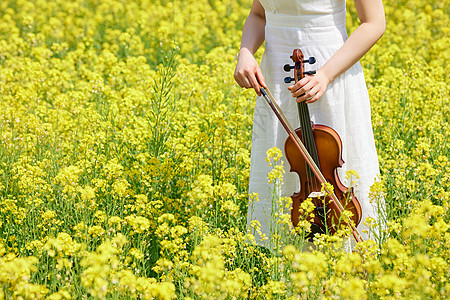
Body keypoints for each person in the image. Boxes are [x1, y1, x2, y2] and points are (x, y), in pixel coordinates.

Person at [234, 0, 385, 245]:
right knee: (287, 178)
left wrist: (325, 75)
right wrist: (246, 52)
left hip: (328, 72)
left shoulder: (327, 75)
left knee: (334, 172)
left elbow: (374, 22)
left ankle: (353, 272)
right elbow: (258, 14)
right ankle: (290, 276)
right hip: (277, 78)